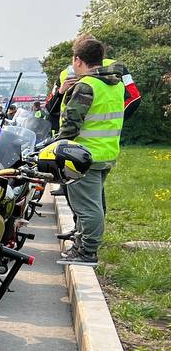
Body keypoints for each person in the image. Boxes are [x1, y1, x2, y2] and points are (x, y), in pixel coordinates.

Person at [58, 35, 125, 266]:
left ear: (78, 60)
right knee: (93, 204)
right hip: (105, 153)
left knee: (87, 208)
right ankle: (81, 245)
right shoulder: (115, 85)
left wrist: (56, 147)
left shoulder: (87, 86)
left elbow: (71, 125)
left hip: (82, 156)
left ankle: (87, 251)